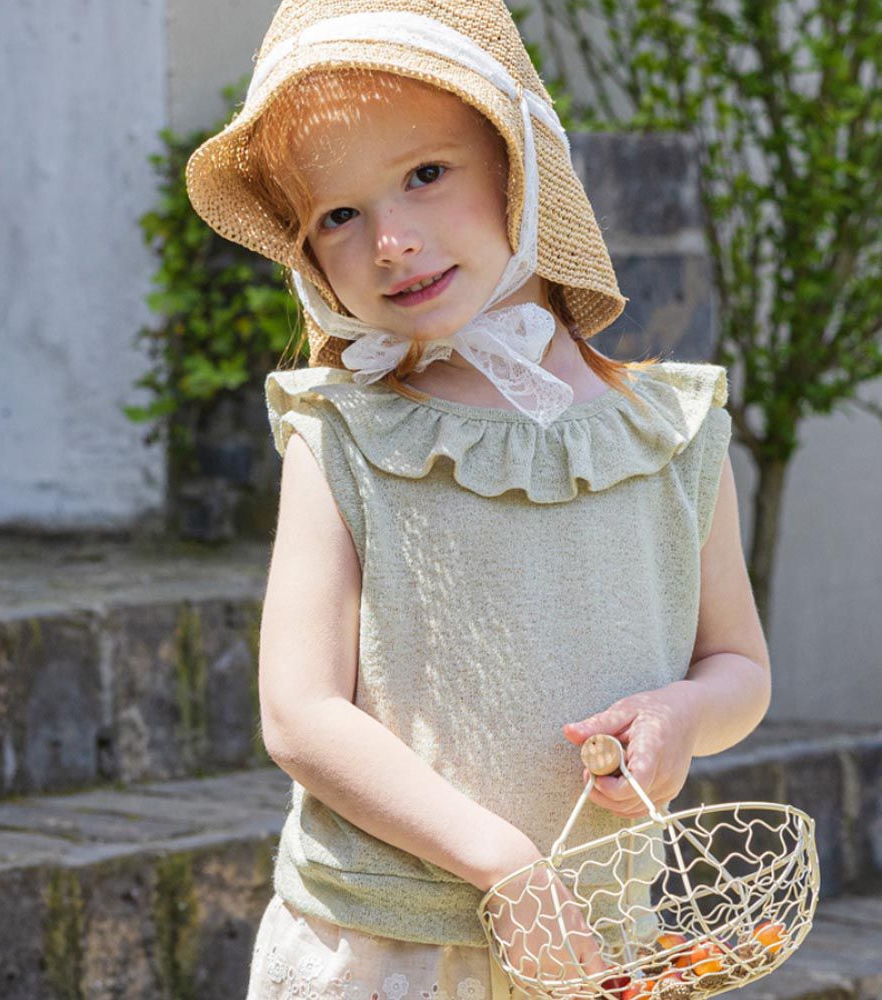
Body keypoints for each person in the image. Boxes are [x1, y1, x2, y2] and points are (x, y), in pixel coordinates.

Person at [185, 3, 772, 997]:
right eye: (338, 214)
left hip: (591, 945)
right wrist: (502, 865)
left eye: (424, 174)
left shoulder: (670, 430)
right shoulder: (347, 433)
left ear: (521, 167)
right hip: (386, 950)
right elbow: (299, 712)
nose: (391, 240)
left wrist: (682, 714)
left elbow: (738, 668)